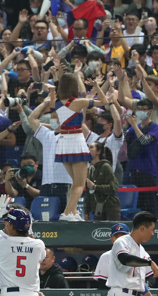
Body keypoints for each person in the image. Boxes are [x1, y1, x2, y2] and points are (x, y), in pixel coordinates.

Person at [55, 74, 106, 221]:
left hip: (63, 142)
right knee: (80, 184)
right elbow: (104, 101)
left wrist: (92, 92)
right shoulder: (77, 102)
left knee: (75, 182)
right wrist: (96, 87)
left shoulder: (57, 102)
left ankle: (73, 212)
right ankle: (66, 213)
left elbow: (86, 101)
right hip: (76, 140)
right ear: (73, 86)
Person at [84, 143, 120, 221]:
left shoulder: (106, 167)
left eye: (91, 147)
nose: (88, 149)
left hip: (110, 206)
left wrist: (95, 187)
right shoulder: (89, 170)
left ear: (98, 151)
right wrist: (86, 212)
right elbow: (88, 193)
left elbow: (114, 187)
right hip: (97, 208)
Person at [93, 223, 131, 289]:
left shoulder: (138, 253)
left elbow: (150, 276)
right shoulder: (106, 256)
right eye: (116, 236)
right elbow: (102, 281)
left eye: (123, 236)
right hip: (115, 293)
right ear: (112, 239)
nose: (120, 240)